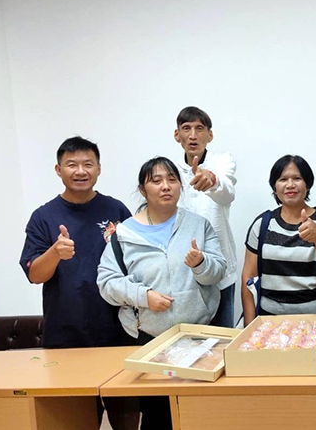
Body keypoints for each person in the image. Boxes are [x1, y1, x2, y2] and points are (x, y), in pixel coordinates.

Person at [98, 156, 226, 430]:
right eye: (156, 181)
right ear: (143, 190)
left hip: (198, 335)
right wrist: (144, 296)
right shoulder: (124, 234)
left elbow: (219, 271)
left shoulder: (197, 224)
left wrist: (200, 264)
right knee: (157, 415)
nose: (166, 186)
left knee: (202, 414)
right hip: (150, 339)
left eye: (172, 180)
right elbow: (107, 283)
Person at [19, 136, 136, 429]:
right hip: (66, 337)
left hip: (119, 332)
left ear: (98, 169)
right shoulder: (43, 217)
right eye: (72, 164)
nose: (80, 171)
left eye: (88, 164)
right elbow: (35, 275)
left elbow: (137, 264)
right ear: (58, 170)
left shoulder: (117, 210)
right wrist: (55, 253)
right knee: (75, 420)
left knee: (127, 416)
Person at [241, 155, 316, 326]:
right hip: (271, 323)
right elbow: (249, 276)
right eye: (283, 179)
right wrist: (249, 327)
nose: (290, 185)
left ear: (308, 184)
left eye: (297, 178)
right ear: (274, 186)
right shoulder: (263, 224)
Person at [173, 106, 238, 327]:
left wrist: (212, 180)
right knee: (187, 340)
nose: (193, 135)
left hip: (220, 265)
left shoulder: (223, 161)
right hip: (183, 270)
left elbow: (227, 193)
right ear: (177, 135)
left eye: (199, 128)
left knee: (221, 340)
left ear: (209, 135)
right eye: (186, 128)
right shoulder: (170, 170)